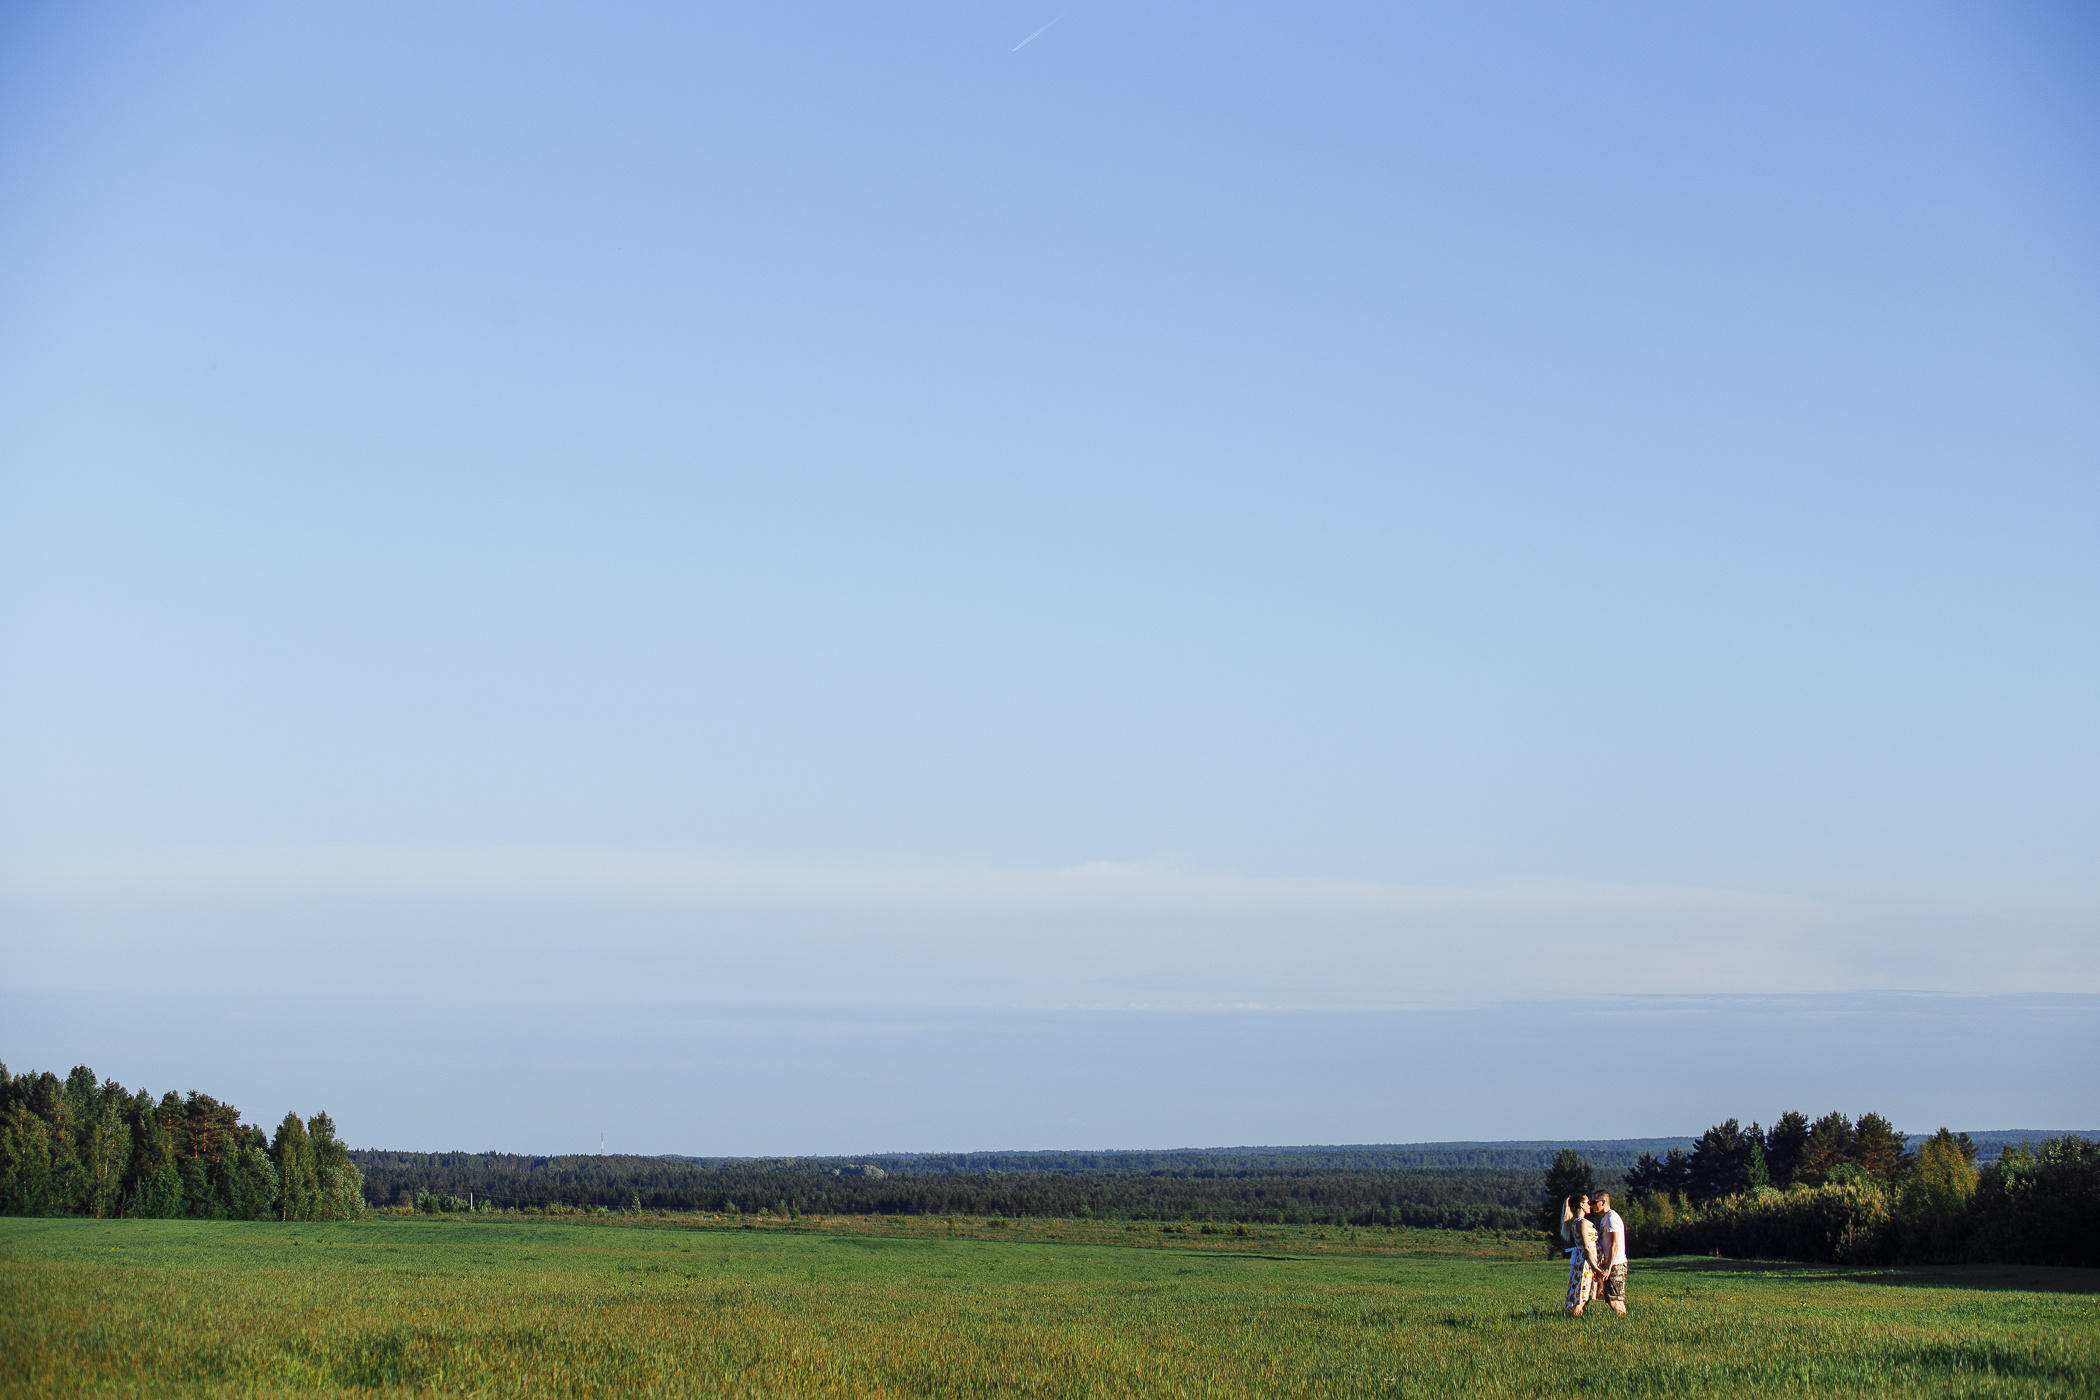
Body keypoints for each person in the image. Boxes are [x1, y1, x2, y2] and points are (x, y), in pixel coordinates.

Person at [1560, 1193, 1601, 1314]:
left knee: (1582, 1294)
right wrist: (1595, 1267)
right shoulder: (1582, 1223)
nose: (1590, 1206)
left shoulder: (1575, 1222)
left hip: (1581, 1260)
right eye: (1588, 1203)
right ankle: (1574, 1318)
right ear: (1581, 1205)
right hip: (1586, 1262)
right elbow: (1587, 1246)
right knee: (1582, 1296)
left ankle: (1575, 1316)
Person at [1590, 1190, 1628, 1314]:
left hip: (1616, 1263)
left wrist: (1608, 1267)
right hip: (1611, 1263)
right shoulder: (1604, 1219)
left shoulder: (1612, 1218)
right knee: (1612, 1298)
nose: (1592, 1205)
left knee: (1614, 1299)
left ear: (1604, 1202)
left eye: (1594, 1202)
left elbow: (1615, 1245)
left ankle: (1623, 1322)